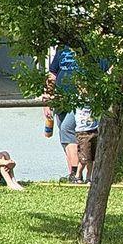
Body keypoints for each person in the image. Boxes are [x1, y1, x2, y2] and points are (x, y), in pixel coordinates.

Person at [46, 44, 84, 183]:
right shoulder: (62, 48)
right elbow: (52, 73)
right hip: (60, 99)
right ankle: (72, 174)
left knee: (67, 129)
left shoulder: (89, 47)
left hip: (80, 101)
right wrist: (48, 97)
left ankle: (76, 174)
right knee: (65, 137)